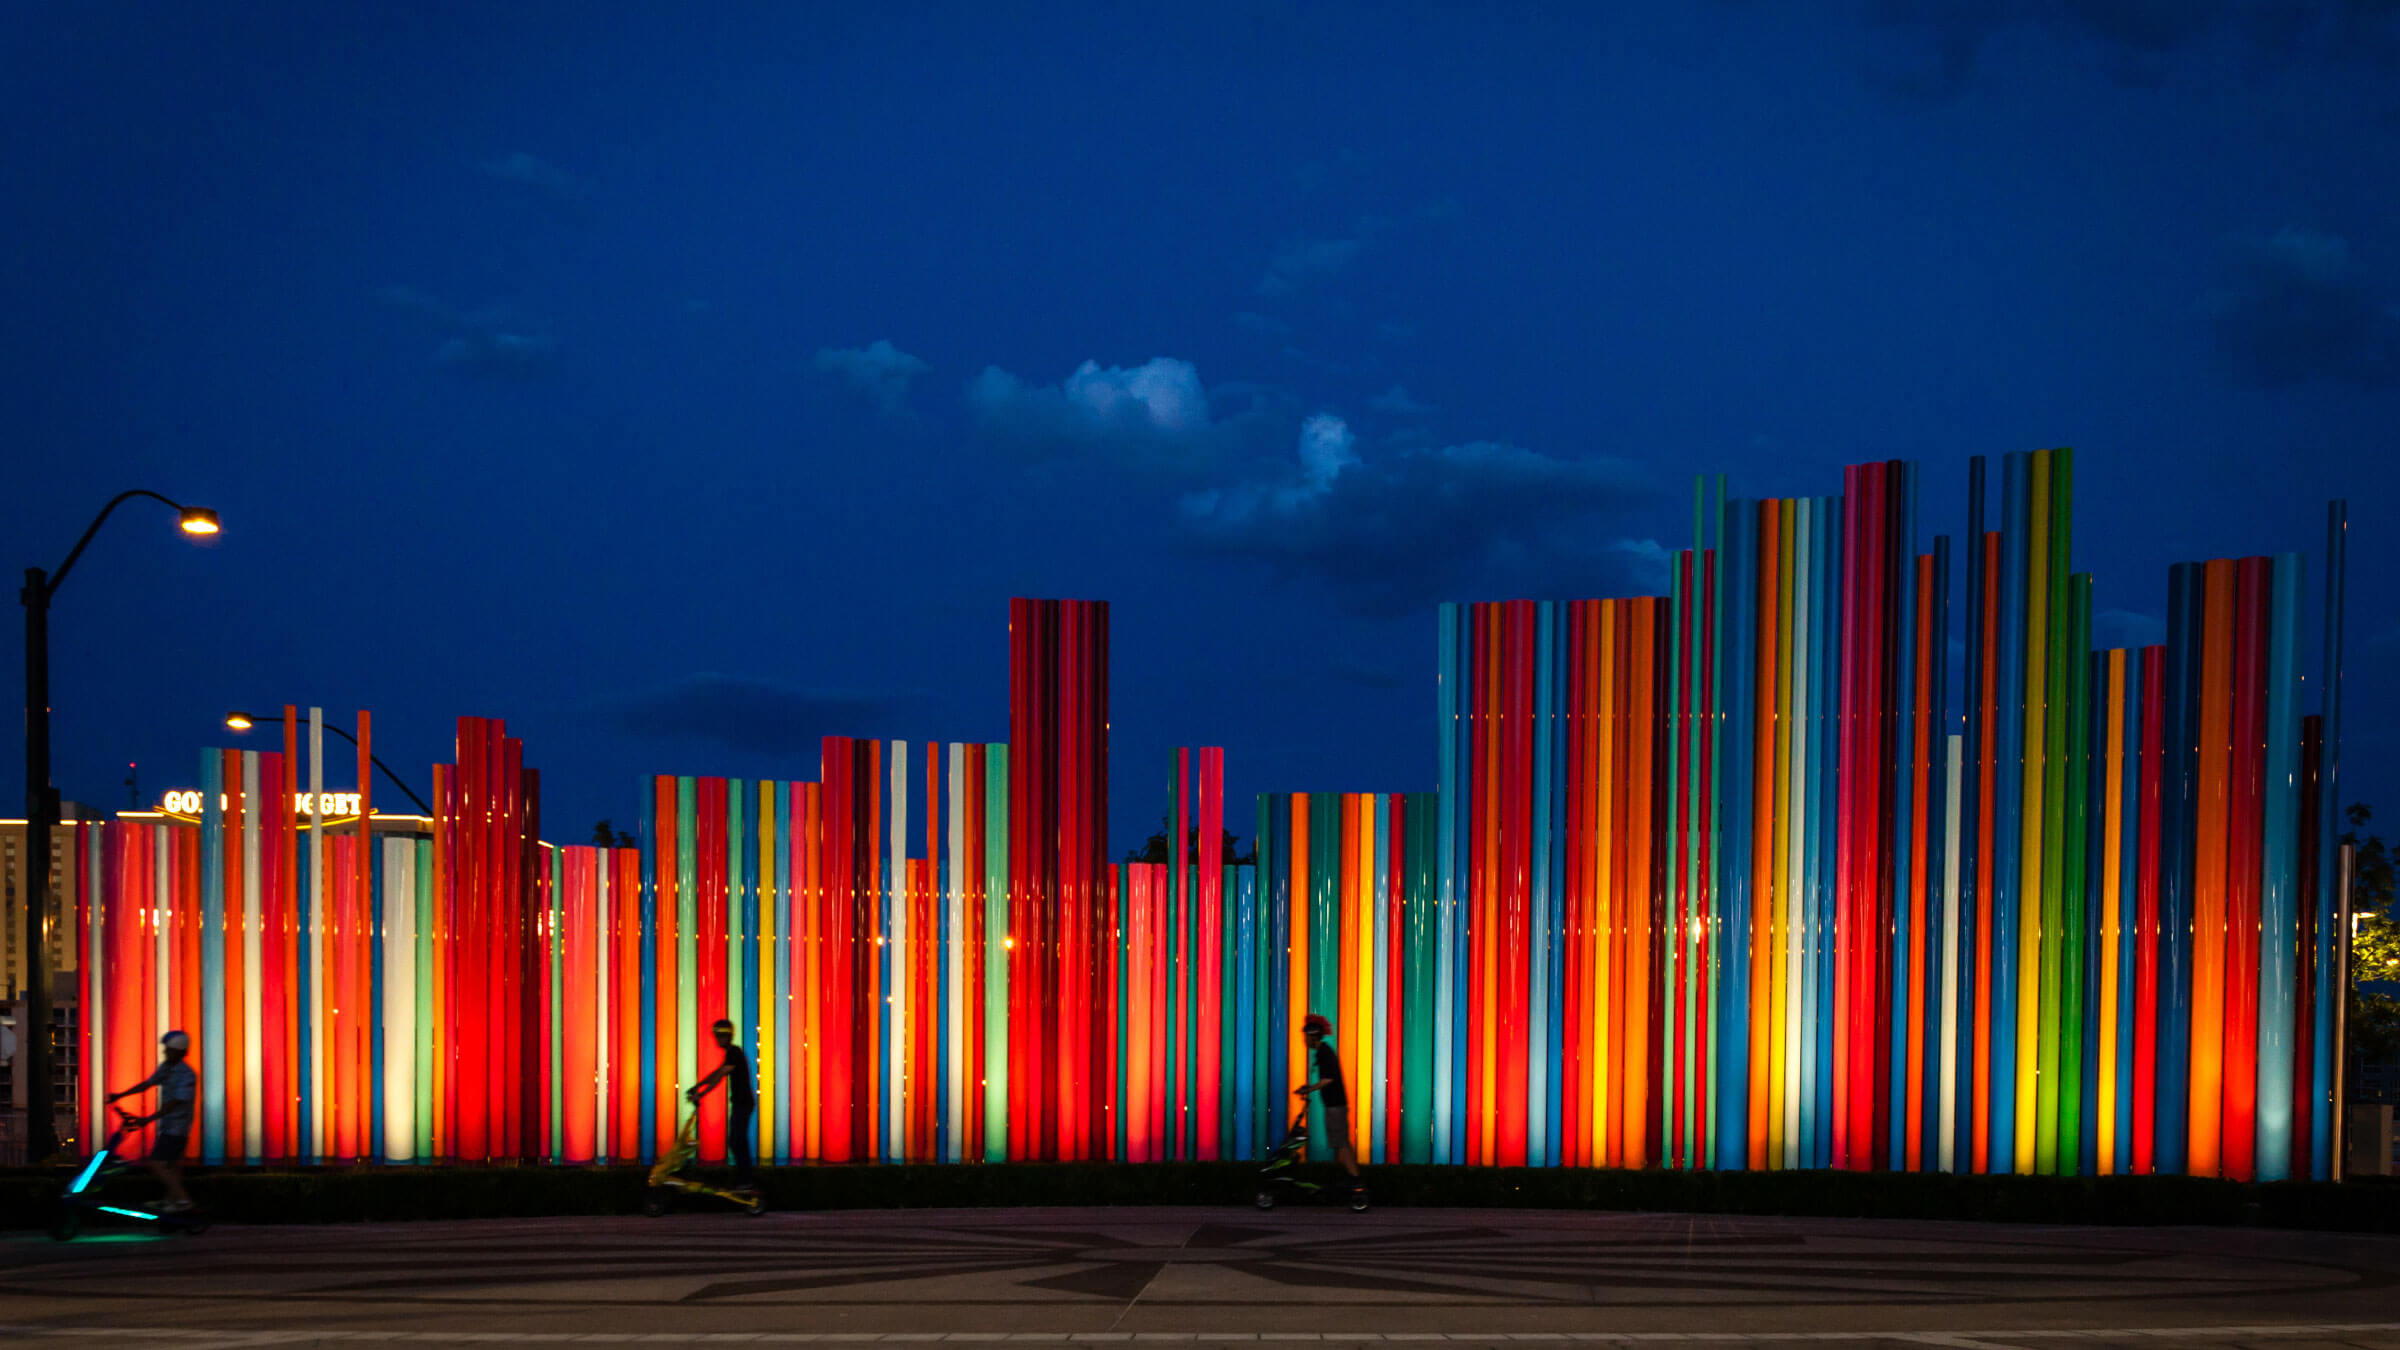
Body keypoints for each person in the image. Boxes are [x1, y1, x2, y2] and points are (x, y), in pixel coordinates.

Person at [107, 1029, 196, 1211]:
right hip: (169, 1127)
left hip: (177, 1128)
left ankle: (184, 1201)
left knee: (156, 1162)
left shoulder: (187, 1075)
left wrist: (147, 1120)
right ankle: (171, 1201)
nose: (165, 1052)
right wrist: (120, 1095)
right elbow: (147, 1084)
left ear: (179, 1051)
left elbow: (174, 1104)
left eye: (168, 1049)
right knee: (172, 1167)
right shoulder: (167, 1067)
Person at [687, 1018, 757, 1190]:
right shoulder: (732, 1053)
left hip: (743, 1104)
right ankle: (744, 1179)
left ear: (727, 1036)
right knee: (737, 1141)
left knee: (737, 1141)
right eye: (716, 1036)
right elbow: (717, 1072)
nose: (717, 1039)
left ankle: (746, 1180)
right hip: (741, 1104)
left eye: (719, 1036)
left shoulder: (734, 1052)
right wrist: (697, 1086)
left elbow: (719, 1077)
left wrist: (701, 1093)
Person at [1296, 1012, 1360, 1192]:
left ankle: (1355, 1180)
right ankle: (1352, 1177)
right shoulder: (1322, 1052)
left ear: (1314, 1036)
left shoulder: (1324, 1053)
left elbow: (1329, 1079)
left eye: (1306, 1037)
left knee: (1341, 1142)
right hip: (1334, 1106)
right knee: (1341, 1142)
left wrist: (1310, 1088)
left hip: (1335, 1107)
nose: (1304, 1040)